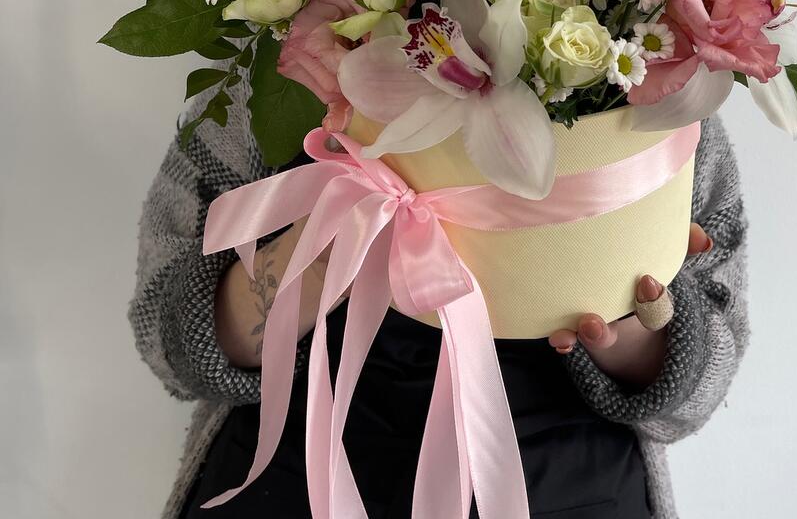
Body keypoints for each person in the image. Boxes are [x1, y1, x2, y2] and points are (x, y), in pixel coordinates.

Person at [129, 76, 748, 519]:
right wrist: (313, 257)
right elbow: (166, 341)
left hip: (569, 485)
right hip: (292, 479)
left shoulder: (663, 104)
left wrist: (633, 335)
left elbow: (700, 394)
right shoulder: (270, 88)